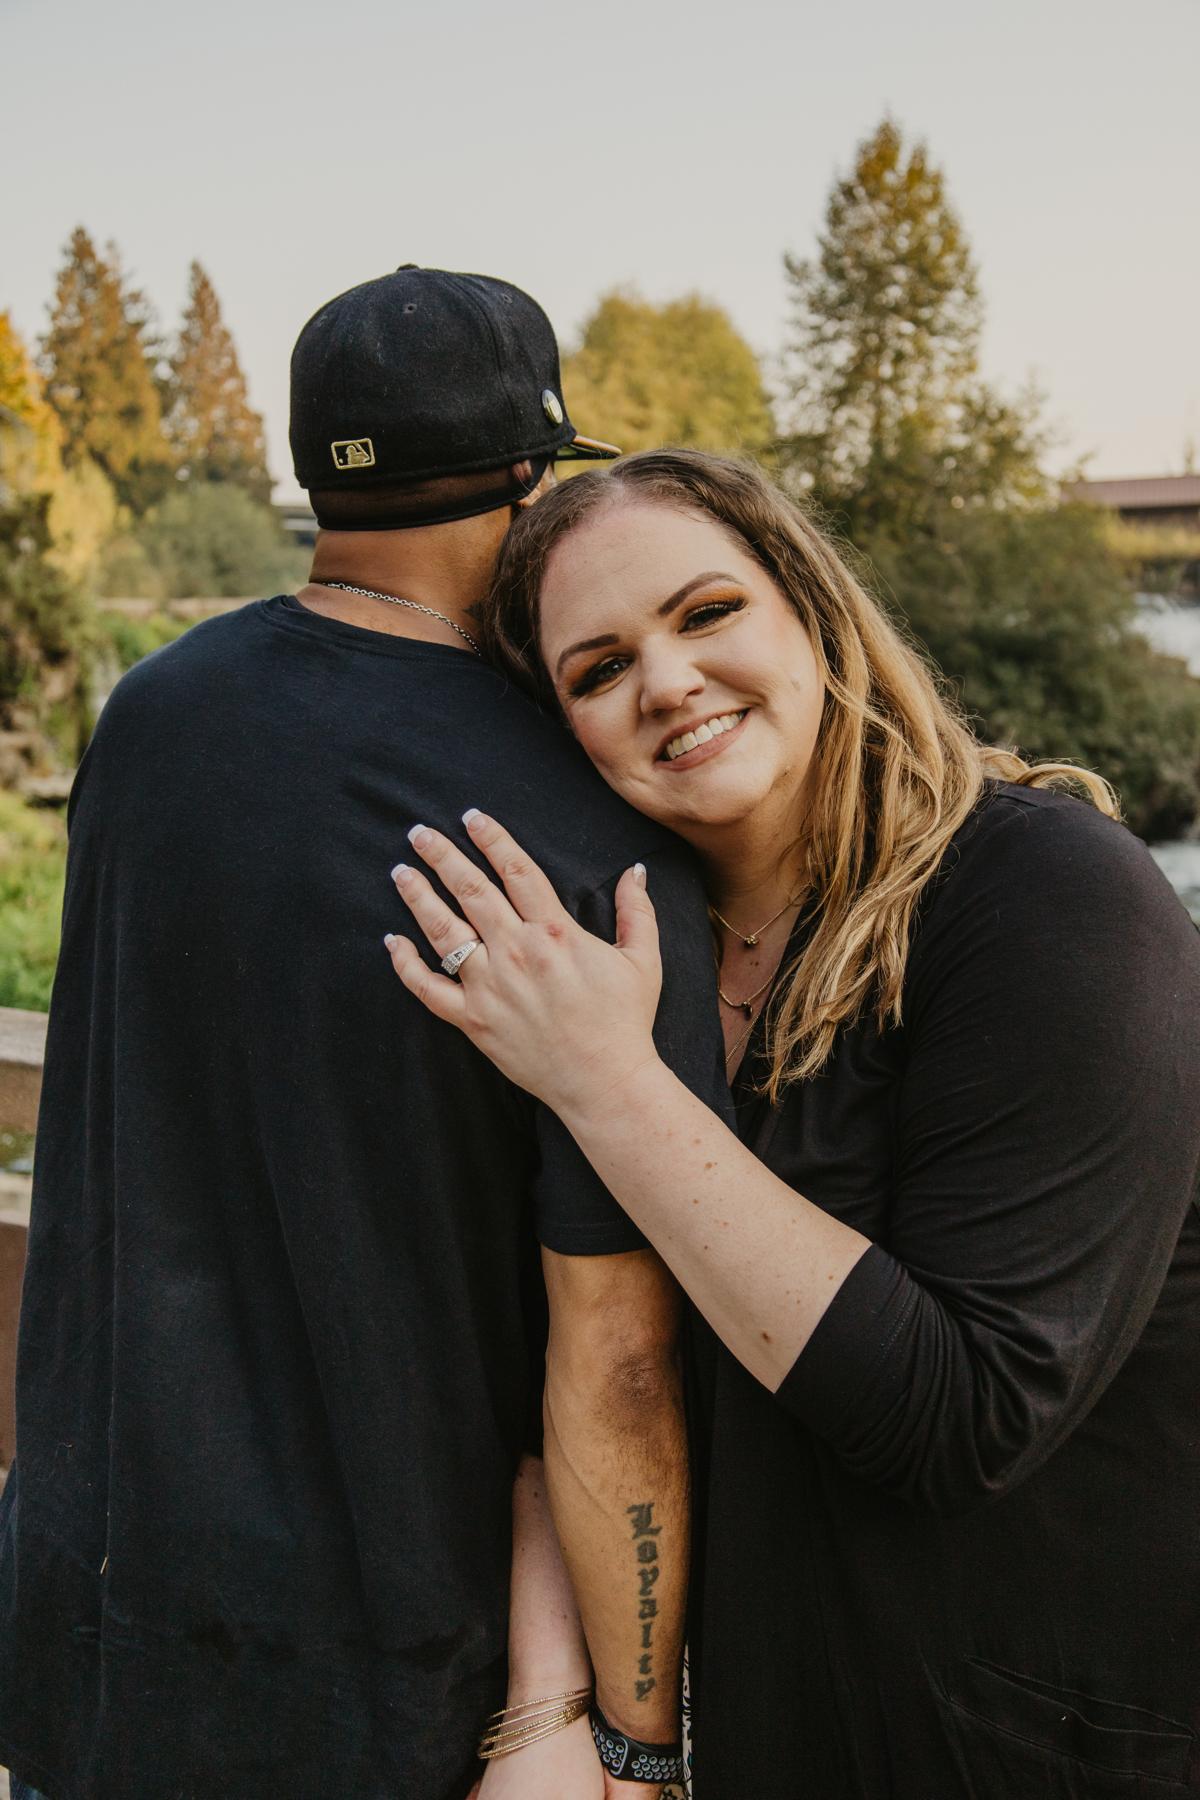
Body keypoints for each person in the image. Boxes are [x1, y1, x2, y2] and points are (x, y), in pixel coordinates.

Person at [0, 278, 725, 1799]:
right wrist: (637, 1738)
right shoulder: (592, 832)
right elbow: (621, 1358)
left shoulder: (149, 720)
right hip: (400, 1685)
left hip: (92, 1624)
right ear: (538, 480)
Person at [386, 448, 1200, 1799]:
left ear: (811, 613)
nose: (666, 682)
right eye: (597, 670)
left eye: (707, 613)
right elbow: (566, 1359)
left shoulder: (1051, 902)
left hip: (1047, 1747)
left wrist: (611, 1084)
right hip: (779, 1737)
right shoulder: (619, 964)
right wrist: (557, 1707)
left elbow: (968, 1415)